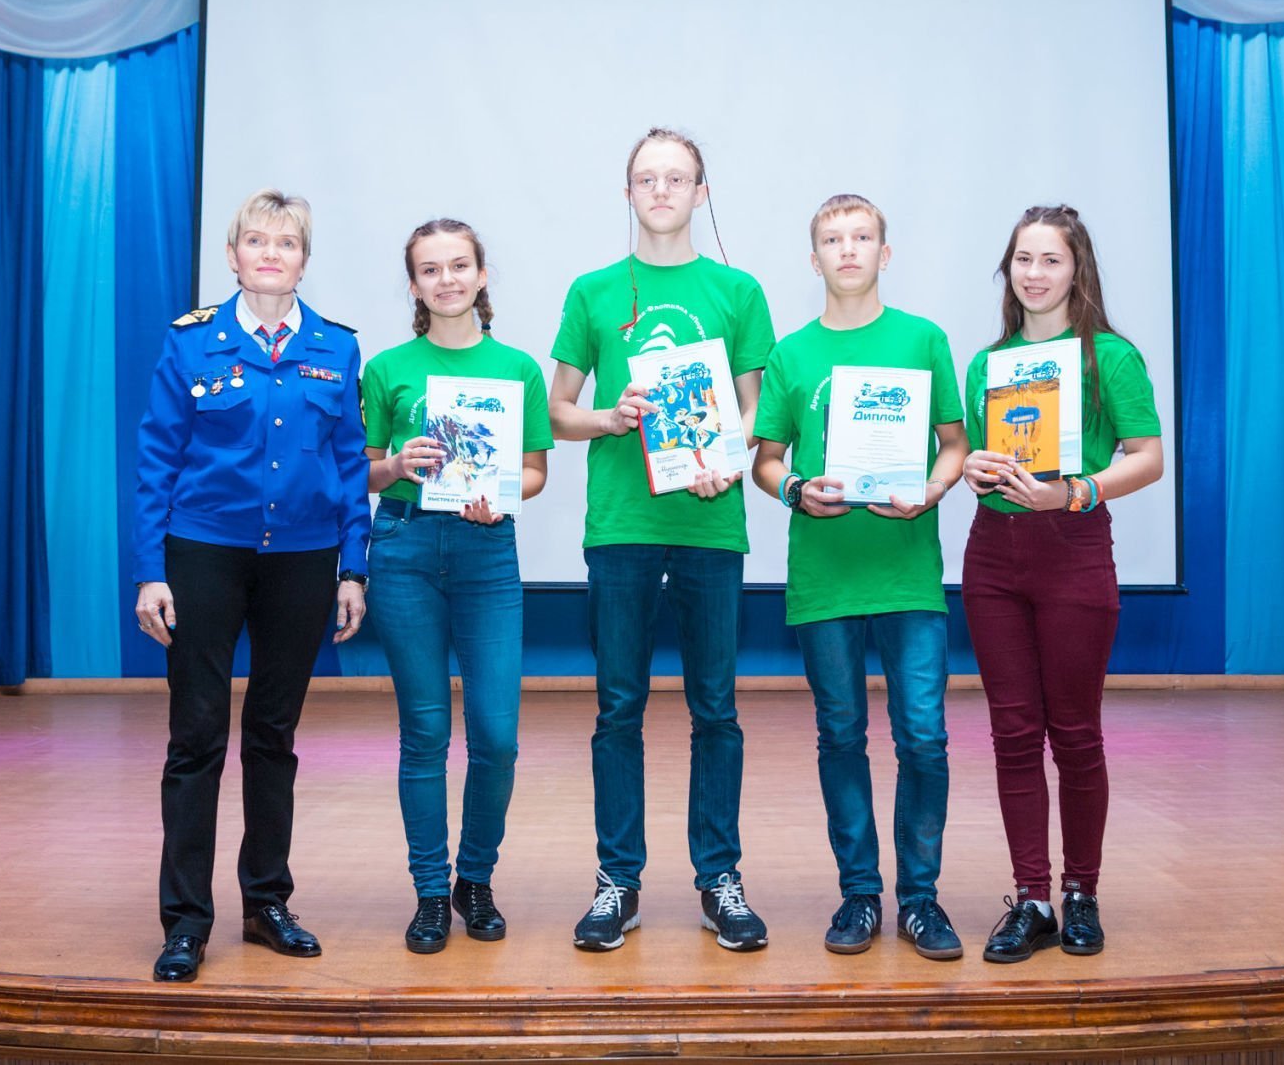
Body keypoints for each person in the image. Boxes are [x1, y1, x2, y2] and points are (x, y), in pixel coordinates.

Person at [132, 189, 371, 983]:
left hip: (303, 560)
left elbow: (349, 463)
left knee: (273, 735)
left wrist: (353, 566)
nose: (272, 253)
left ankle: (268, 901)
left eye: (287, 242)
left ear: (305, 259)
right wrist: (149, 570)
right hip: (203, 553)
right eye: (257, 241)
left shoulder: (336, 347)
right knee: (196, 736)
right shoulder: (191, 341)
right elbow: (156, 459)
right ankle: (185, 920)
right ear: (232, 255)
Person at [550, 127, 776, 952]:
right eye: (646, 178)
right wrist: (609, 417)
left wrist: (730, 456)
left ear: (700, 193)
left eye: (676, 178)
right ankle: (618, 880)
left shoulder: (738, 289)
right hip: (623, 526)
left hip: (711, 523)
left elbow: (757, 407)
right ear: (628, 192)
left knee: (716, 708)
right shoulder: (593, 291)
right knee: (619, 708)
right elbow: (556, 410)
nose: (661, 190)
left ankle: (720, 878)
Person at [752, 195, 969, 957]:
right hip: (825, 578)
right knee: (840, 736)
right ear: (813, 259)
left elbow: (954, 443)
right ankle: (859, 895)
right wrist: (793, 489)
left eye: (862, 236)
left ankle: (921, 899)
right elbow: (766, 459)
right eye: (832, 239)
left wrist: (933, 490)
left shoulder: (923, 339)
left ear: (885, 251)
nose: (848, 249)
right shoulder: (791, 354)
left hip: (908, 575)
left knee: (925, 738)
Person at [959, 204, 1163, 963]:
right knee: (1013, 734)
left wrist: (1074, 492)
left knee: (1075, 733)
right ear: (1007, 270)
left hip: (1074, 549)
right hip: (993, 555)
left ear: (1078, 270)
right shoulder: (987, 365)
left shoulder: (1109, 356)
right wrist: (974, 466)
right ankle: (1033, 898)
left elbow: (1148, 457)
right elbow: (985, 458)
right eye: (1023, 259)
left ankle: (1082, 892)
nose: (1035, 273)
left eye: (1051, 259)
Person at [361, 218, 552, 954]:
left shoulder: (518, 368)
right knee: (426, 734)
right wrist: (395, 465)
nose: (447, 279)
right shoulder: (387, 367)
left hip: (486, 553)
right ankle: (431, 892)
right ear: (414, 285)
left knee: (497, 738)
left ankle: (476, 878)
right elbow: (361, 471)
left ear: (481, 275)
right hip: (405, 548)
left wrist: (502, 496)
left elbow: (534, 471)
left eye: (460, 265)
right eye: (431, 269)